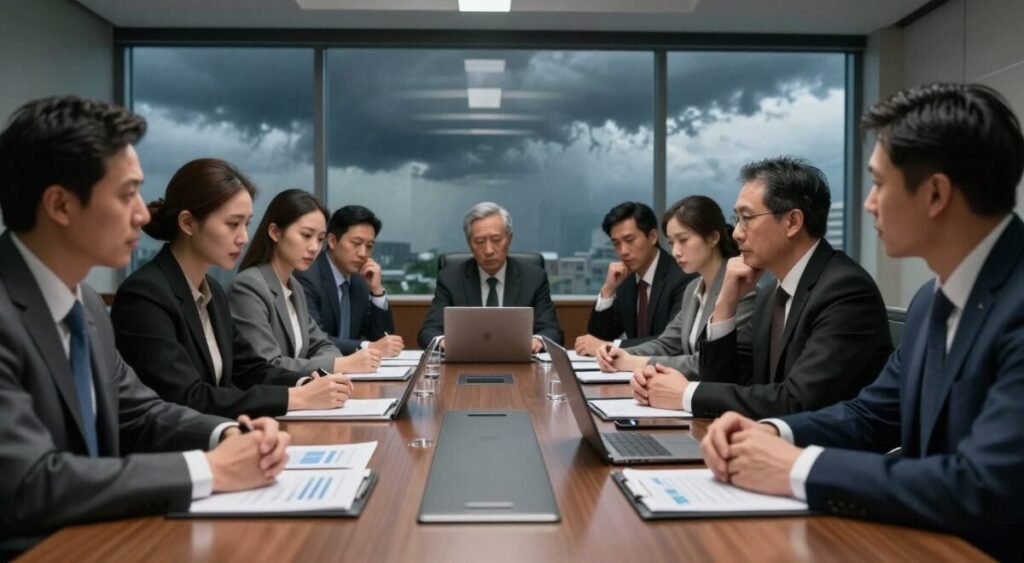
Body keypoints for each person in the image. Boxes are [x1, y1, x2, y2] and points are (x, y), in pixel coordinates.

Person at [700, 83, 1024, 561]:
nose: (869, 204)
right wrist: (771, 433)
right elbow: (870, 414)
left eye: (878, 183)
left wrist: (797, 468)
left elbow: (981, 488)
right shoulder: (929, 302)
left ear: (935, 193)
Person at [0, 96, 288, 551]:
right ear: (60, 205)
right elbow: (28, 483)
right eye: (125, 194)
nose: (143, 214)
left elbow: (140, 411)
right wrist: (210, 470)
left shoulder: (88, 306)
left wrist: (231, 434)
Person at [632, 157, 892, 419]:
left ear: (792, 222)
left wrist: (686, 394)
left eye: (746, 218)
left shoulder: (844, 290)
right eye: (737, 218)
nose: (736, 233)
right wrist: (725, 303)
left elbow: (799, 401)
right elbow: (727, 382)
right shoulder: (771, 295)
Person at [111, 159, 353, 419]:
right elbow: (186, 397)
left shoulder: (212, 289)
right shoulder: (144, 296)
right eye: (232, 224)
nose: (244, 237)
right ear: (188, 223)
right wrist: (294, 398)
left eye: (246, 224)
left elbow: (251, 369)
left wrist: (306, 385)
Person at [596, 196, 756, 376]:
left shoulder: (742, 289)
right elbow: (666, 344)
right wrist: (616, 354)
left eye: (683, 240)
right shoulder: (693, 287)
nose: (675, 252)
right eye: (671, 243)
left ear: (712, 238)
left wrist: (636, 362)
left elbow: (707, 363)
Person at [231, 189, 383, 373]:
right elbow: (266, 365)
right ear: (275, 232)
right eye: (306, 235)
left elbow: (324, 345)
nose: (314, 248)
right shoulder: (249, 286)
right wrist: (337, 364)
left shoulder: (294, 286)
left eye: (320, 239)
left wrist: (323, 367)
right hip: (275, 398)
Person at [417, 201, 563, 351]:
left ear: (509, 239)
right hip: (466, 361)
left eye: (496, 240)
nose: (488, 250)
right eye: (479, 241)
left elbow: (553, 332)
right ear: (469, 244)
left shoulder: (533, 278)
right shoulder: (450, 279)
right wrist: (442, 342)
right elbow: (428, 332)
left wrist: (537, 341)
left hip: (519, 363)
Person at [575, 202, 693, 357]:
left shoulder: (682, 276)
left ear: (652, 237)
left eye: (630, 240)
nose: (623, 251)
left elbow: (671, 342)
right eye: (616, 243)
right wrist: (608, 291)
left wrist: (613, 346)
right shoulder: (625, 280)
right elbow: (598, 339)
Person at [295, 205, 402, 357]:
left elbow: (383, 341)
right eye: (356, 243)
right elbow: (314, 339)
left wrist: (377, 291)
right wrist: (368, 346)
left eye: (369, 246)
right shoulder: (307, 276)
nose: (363, 253)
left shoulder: (360, 281)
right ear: (332, 241)